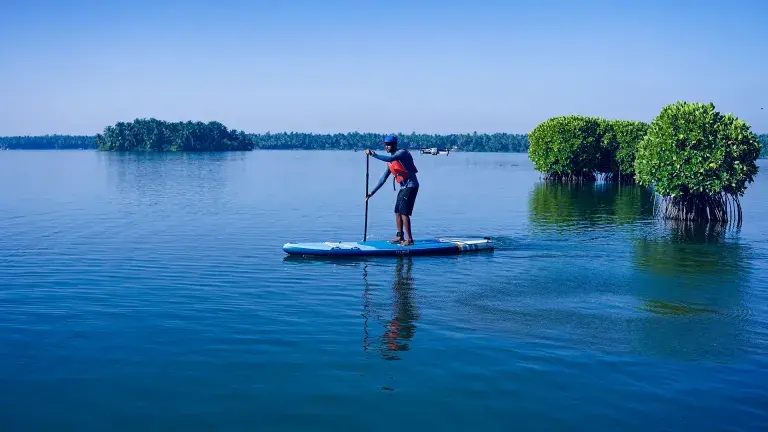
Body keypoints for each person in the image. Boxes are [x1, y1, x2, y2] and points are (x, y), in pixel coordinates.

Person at [365, 135, 419, 246]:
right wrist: (372, 192)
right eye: (386, 145)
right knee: (397, 212)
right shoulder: (391, 163)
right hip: (403, 188)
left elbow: (389, 158)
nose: (387, 147)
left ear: (395, 145)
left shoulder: (402, 153)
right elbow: (383, 179)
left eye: (389, 144)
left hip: (411, 186)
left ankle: (409, 240)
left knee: (404, 212)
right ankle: (400, 237)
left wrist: (373, 154)